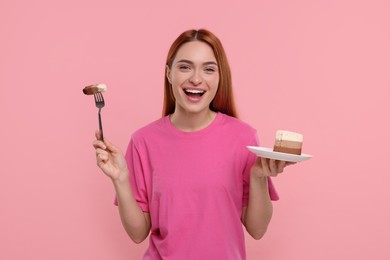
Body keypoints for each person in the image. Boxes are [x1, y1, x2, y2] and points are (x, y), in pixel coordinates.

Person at [93, 29, 295, 260]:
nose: (196, 79)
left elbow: (257, 230)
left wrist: (258, 177)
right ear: (169, 74)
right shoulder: (143, 141)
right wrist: (120, 180)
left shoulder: (244, 138)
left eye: (208, 69)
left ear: (220, 77)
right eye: (185, 67)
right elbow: (138, 233)